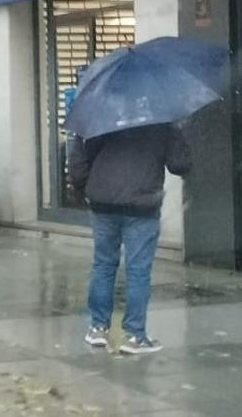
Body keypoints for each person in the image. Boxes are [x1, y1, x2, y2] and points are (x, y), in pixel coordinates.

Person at [68, 123, 191, 355]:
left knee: (103, 264)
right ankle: (134, 335)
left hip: (102, 202)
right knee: (138, 270)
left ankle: (97, 329)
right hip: (142, 204)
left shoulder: (102, 116)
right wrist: (177, 133)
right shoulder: (160, 120)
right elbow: (180, 165)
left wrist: (85, 189)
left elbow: (79, 162)